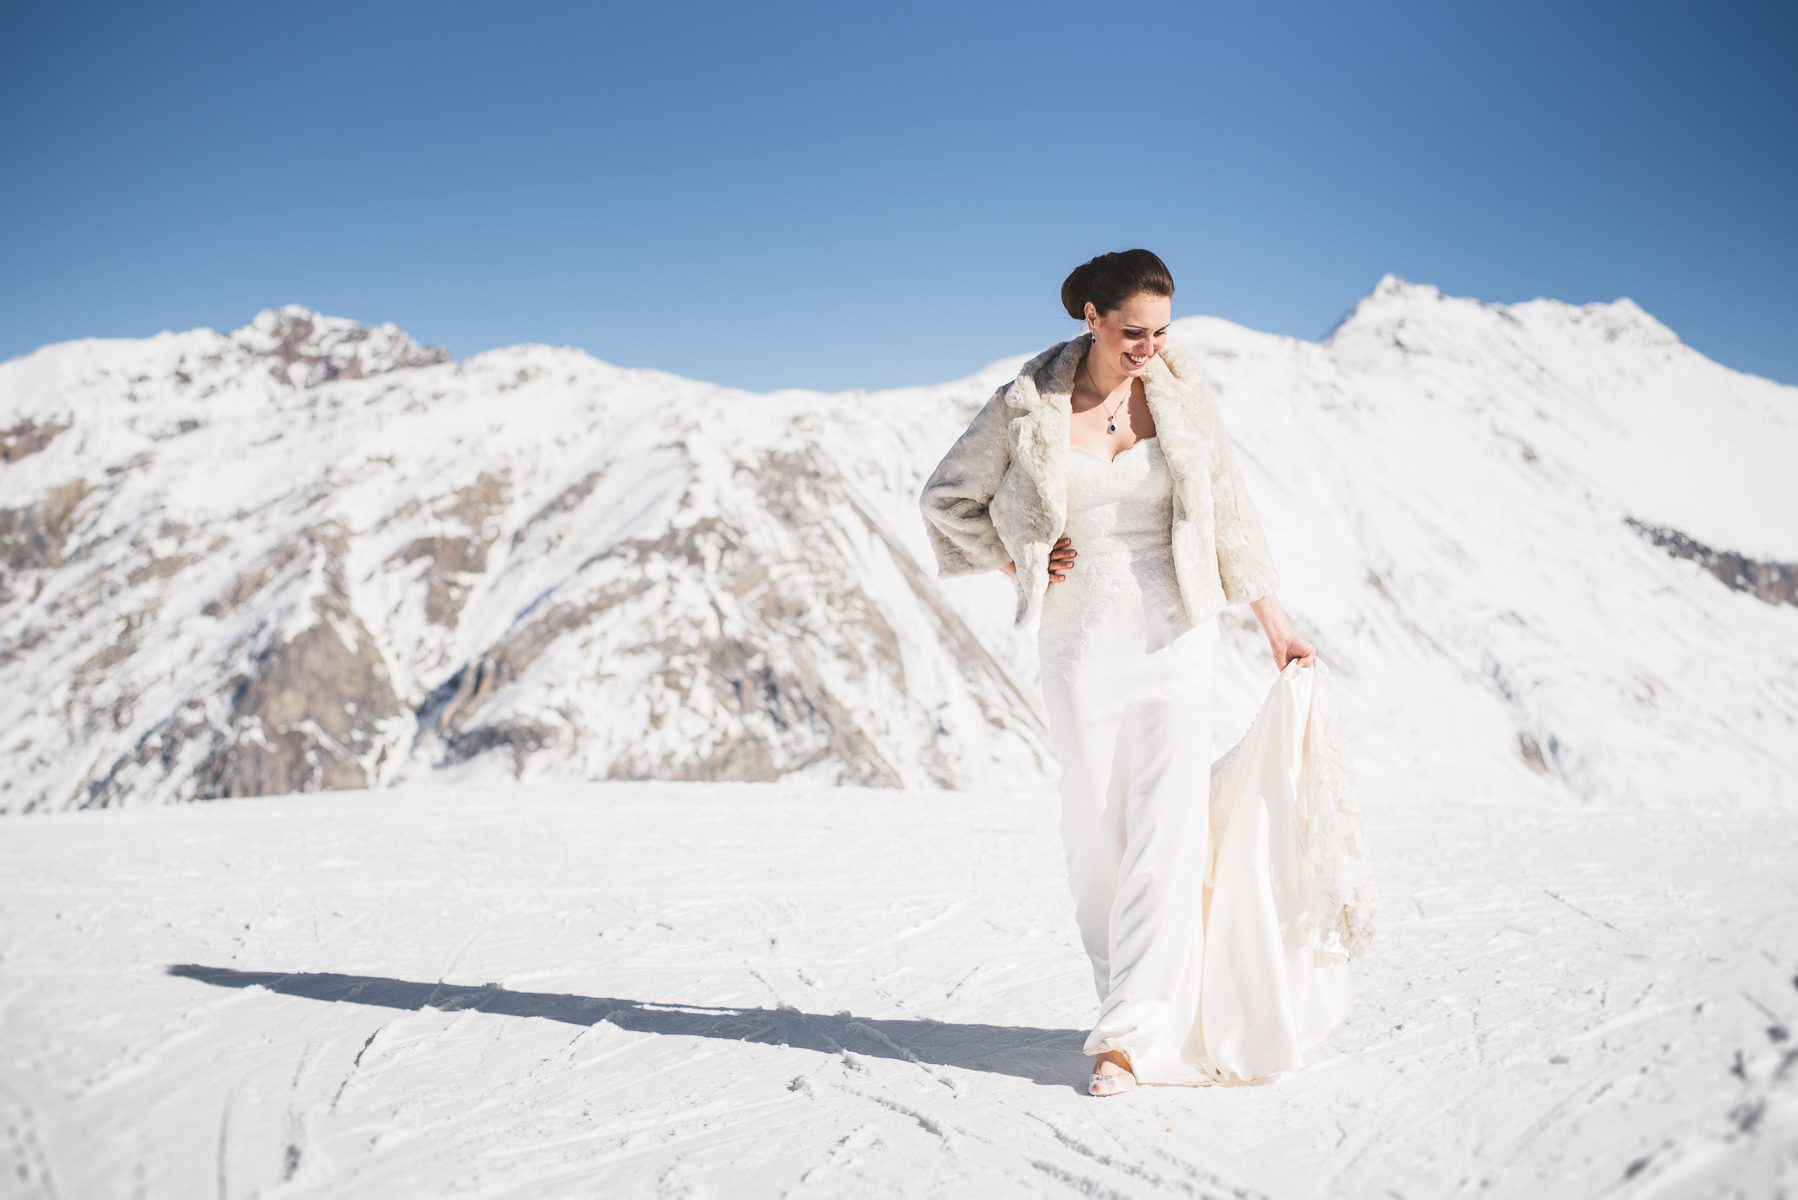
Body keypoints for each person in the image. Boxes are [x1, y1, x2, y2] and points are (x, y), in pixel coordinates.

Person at [918, 249, 1348, 1097]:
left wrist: (1275, 626)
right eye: (1133, 331)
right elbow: (947, 502)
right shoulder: (1024, 407)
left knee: (1166, 827)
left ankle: (1126, 1038)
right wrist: (1023, 560)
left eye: (1161, 330)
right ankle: (1130, 997)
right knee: (1096, 830)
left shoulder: (1184, 399)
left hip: (1175, 633)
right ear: (1092, 318)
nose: (1150, 346)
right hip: (1079, 643)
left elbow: (1229, 515)